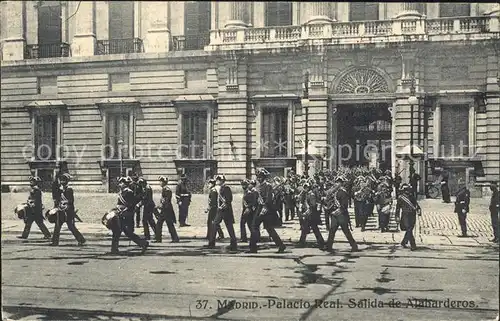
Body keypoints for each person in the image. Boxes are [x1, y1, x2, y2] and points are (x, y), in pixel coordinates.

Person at [249, 169, 286, 254]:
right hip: (259, 208)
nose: (259, 178)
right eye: (258, 177)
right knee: (258, 227)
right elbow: (256, 198)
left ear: (264, 177)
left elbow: (269, 198)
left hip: (266, 209)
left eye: (261, 177)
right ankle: (253, 248)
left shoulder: (268, 186)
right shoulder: (258, 187)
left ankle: (253, 248)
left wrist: (265, 208)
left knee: (265, 228)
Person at [110, 176, 148, 254]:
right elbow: (119, 204)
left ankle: (143, 243)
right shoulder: (122, 192)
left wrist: (124, 210)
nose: (120, 184)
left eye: (121, 183)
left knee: (122, 232)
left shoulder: (129, 192)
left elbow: (132, 204)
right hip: (120, 213)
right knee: (121, 231)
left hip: (125, 214)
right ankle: (142, 243)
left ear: (125, 184)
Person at [324, 177, 358, 253]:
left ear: (341, 183)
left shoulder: (343, 192)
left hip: (342, 215)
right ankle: (329, 246)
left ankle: (354, 245)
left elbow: (344, 205)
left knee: (346, 231)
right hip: (335, 215)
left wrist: (337, 211)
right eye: (336, 182)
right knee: (332, 230)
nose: (337, 183)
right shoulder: (334, 192)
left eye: (339, 182)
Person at [51, 173, 86, 246]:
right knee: (57, 226)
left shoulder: (69, 190)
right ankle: (55, 242)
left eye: (64, 180)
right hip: (61, 211)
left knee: (71, 227)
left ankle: (81, 240)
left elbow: (71, 201)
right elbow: (56, 197)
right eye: (61, 180)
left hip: (68, 211)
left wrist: (65, 203)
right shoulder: (60, 190)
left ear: (67, 181)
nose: (62, 182)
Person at [207, 175, 237, 251]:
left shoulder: (226, 188)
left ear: (223, 181)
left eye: (219, 179)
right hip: (220, 210)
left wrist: (222, 206)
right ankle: (211, 243)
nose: (217, 181)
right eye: (217, 179)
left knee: (229, 227)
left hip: (226, 210)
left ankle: (234, 244)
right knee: (214, 224)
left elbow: (228, 200)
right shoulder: (218, 188)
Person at [297, 182, 326, 249]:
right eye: (304, 187)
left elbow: (312, 205)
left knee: (311, 229)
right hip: (308, 215)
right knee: (311, 229)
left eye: (306, 187)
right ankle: (320, 242)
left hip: (311, 214)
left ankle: (302, 242)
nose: (305, 189)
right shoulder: (305, 194)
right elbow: (302, 202)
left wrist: (307, 212)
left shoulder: (311, 195)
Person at [396, 184, 421, 251]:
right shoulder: (400, 198)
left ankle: (404, 242)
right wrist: (397, 216)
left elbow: (416, 205)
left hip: (412, 215)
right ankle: (413, 245)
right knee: (409, 229)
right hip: (405, 215)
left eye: (408, 190)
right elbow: (397, 208)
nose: (408, 191)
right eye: (406, 190)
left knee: (410, 229)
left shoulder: (412, 197)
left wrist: (419, 211)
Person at [155, 176, 179, 243]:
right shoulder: (164, 189)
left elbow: (167, 201)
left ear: (163, 182)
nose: (159, 183)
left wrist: (160, 206)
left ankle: (159, 239)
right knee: (165, 224)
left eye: (160, 181)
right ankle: (174, 238)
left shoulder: (167, 190)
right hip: (165, 209)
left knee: (163, 224)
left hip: (166, 210)